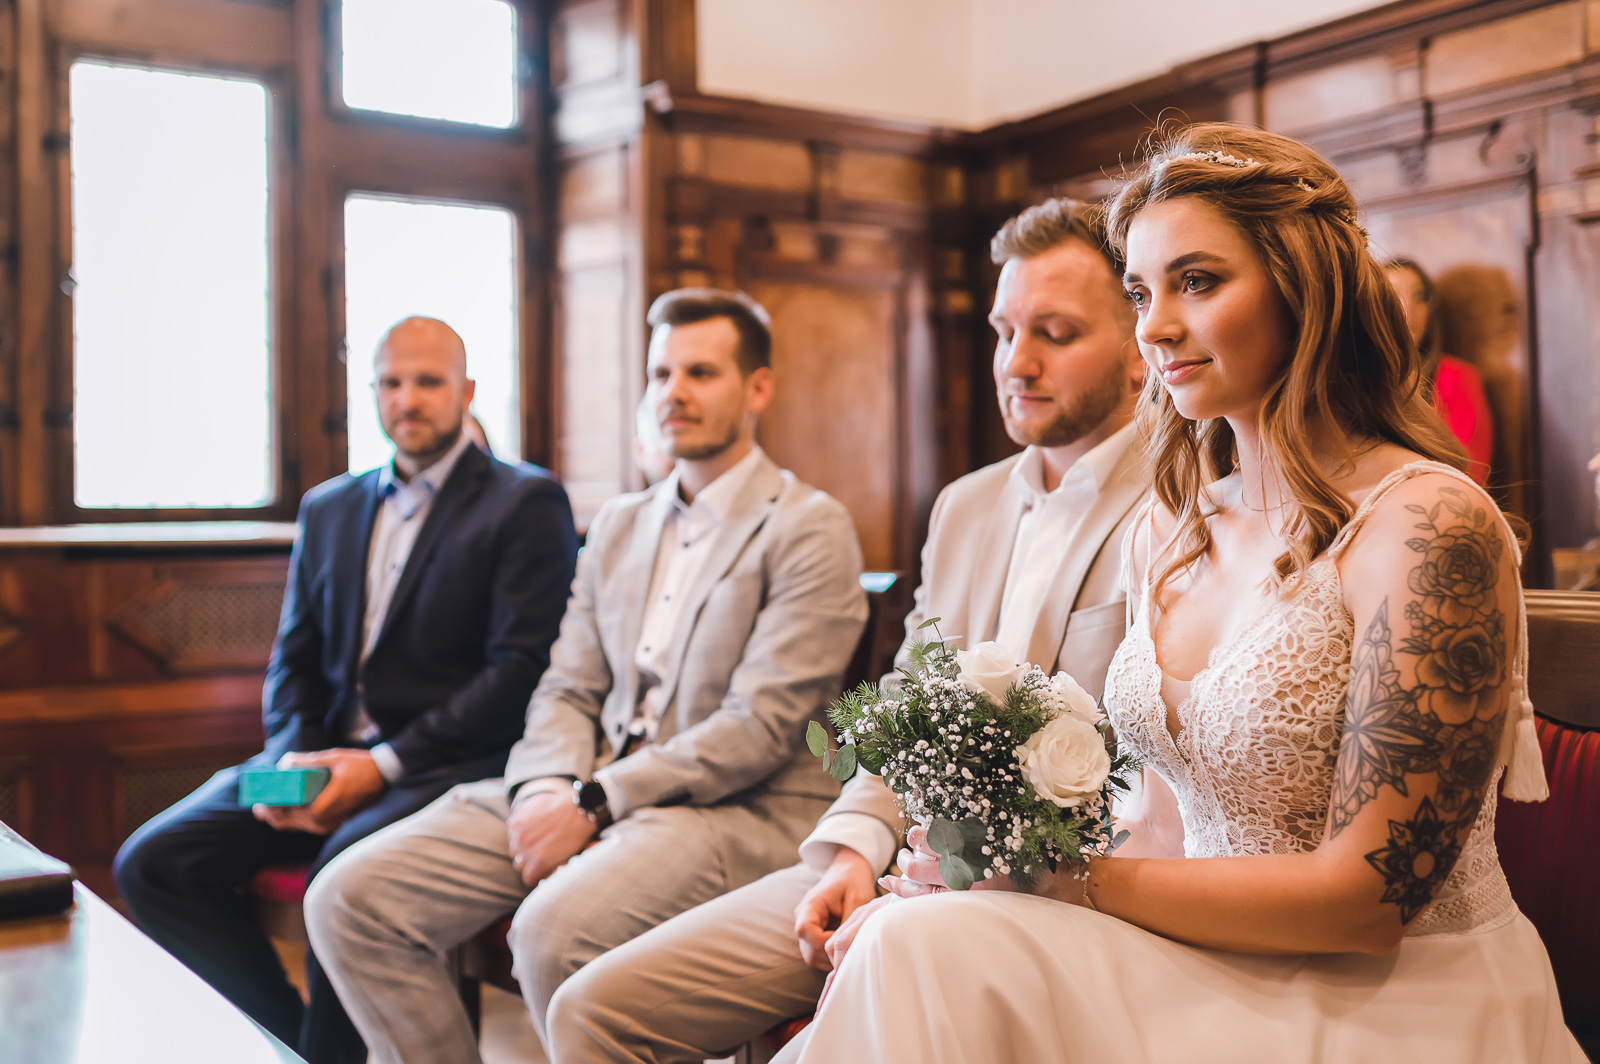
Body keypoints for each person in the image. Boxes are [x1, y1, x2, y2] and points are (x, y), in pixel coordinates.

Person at [793, 125, 1582, 1063]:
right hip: (1202, 952)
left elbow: (1375, 900)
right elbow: (1166, 820)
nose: (1154, 326)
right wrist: (985, 877)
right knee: (917, 938)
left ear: (1305, 287)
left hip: (1398, 992)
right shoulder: (1169, 530)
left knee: (922, 955)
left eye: (1198, 282)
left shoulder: (1428, 526)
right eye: (1141, 291)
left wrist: (1056, 884)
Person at [542, 198, 1151, 1064]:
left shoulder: (1182, 502)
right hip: (893, 855)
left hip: (1047, 892)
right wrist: (854, 853)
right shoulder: (966, 505)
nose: (1017, 363)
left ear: (1140, 348)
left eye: (1055, 333)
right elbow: (903, 705)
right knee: (589, 1012)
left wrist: (942, 893)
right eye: (1003, 330)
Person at [304, 289, 868, 1064]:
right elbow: (567, 684)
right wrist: (545, 788)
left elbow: (760, 727)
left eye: (700, 372)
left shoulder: (809, 526)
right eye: (660, 372)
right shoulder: (619, 524)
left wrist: (596, 802)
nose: (674, 392)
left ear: (757, 388)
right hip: (582, 782)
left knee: (551, 933)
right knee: (349, 897)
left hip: (731, 809)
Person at [114, 316, 580, 1064]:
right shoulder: (329, 507)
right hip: (320, 753)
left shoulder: (524, 502)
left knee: (345, 876)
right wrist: (295, 759)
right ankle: (286, 1042)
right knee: (153, 861)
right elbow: (293, 661)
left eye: (427, 382)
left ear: (464, 391)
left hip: (440, 767)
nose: (408, 399)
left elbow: (519, 674)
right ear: (372, 393)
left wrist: (381, 764)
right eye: (390, 383)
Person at [1384, 258, 1494, 485]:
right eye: (1393, 295)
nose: (1407, 309)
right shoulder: (1356, 380)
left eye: (1419, 296)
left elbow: (1470, 471)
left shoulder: (1458, 377)